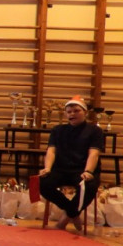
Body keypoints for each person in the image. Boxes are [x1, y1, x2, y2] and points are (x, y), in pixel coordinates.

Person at [38, 95, 103, 231]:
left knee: (89, 187)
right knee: (43, 183)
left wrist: (88, 171)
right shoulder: (58, 130)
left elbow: (94, 153)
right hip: (61, 169)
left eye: (76, 111)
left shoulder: (95, 131)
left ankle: (62, 222)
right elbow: (51, 151)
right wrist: (47, 168)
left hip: (82, 170)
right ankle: (73, 213)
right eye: (69, 112)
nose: (72, 114)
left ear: (85, 112)